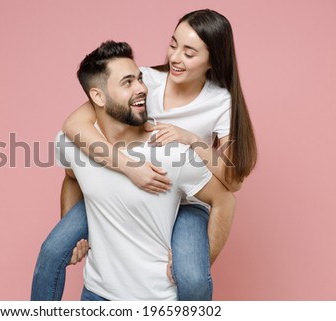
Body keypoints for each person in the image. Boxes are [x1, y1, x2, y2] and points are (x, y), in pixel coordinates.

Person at [31, 9, 257, 301]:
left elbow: (232, 182)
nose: (175, 58)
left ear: (213, 60)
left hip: (187, 197)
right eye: (173, 44)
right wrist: (128, 167)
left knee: (191, 277)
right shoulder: (146, 79)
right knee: (52, 251)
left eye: (189, 53)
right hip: (131, 186)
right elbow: (74, 125)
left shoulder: (219, 101)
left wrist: (189, 139)